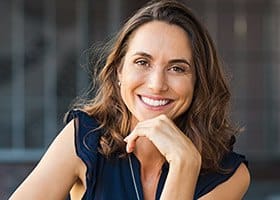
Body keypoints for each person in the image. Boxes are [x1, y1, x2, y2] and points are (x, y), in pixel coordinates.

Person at [9, 0, 250, 199]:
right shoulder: (84, 138)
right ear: (119, 73)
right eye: (142, 62)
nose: (157, 84)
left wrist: (183, 166)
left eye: (177, 68)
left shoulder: (230, 173)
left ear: (198, 81)